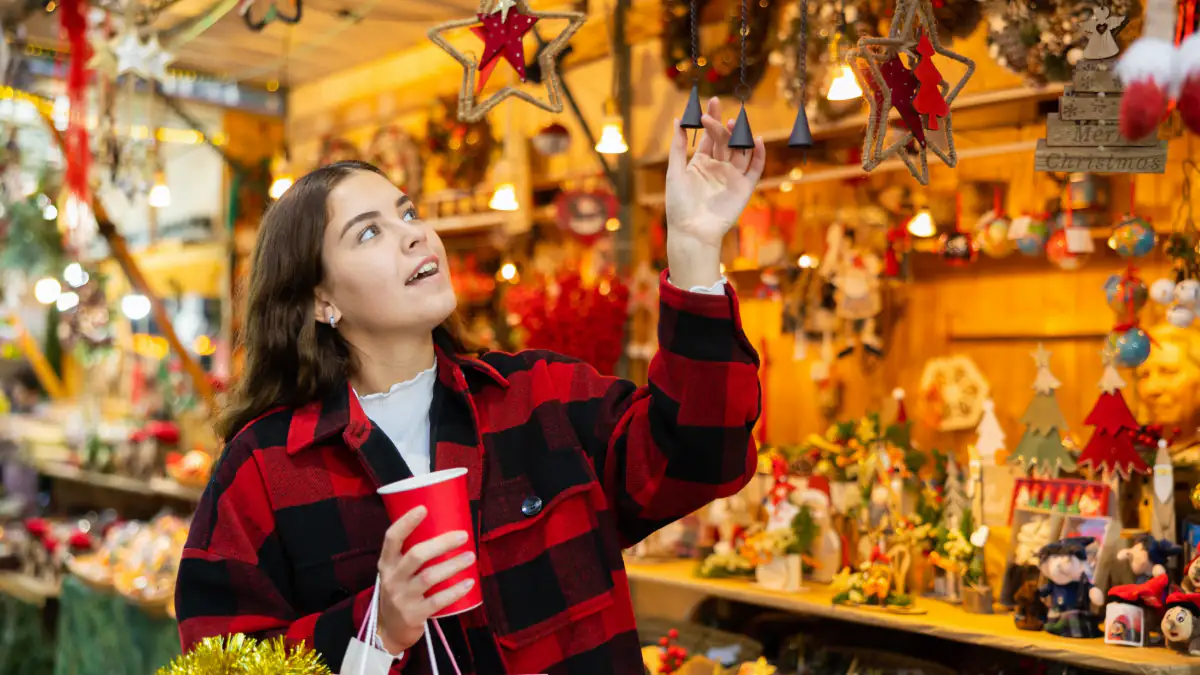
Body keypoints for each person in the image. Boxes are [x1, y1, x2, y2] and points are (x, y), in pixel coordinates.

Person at [176, 98, 766, 675]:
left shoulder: (540, 398)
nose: (414, 236)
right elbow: (220, 660)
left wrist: (693, 251)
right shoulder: (264, 470)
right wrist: (375, 627)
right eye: (367, 234)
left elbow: (701, 455)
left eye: (408, 215)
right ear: (320, 300)